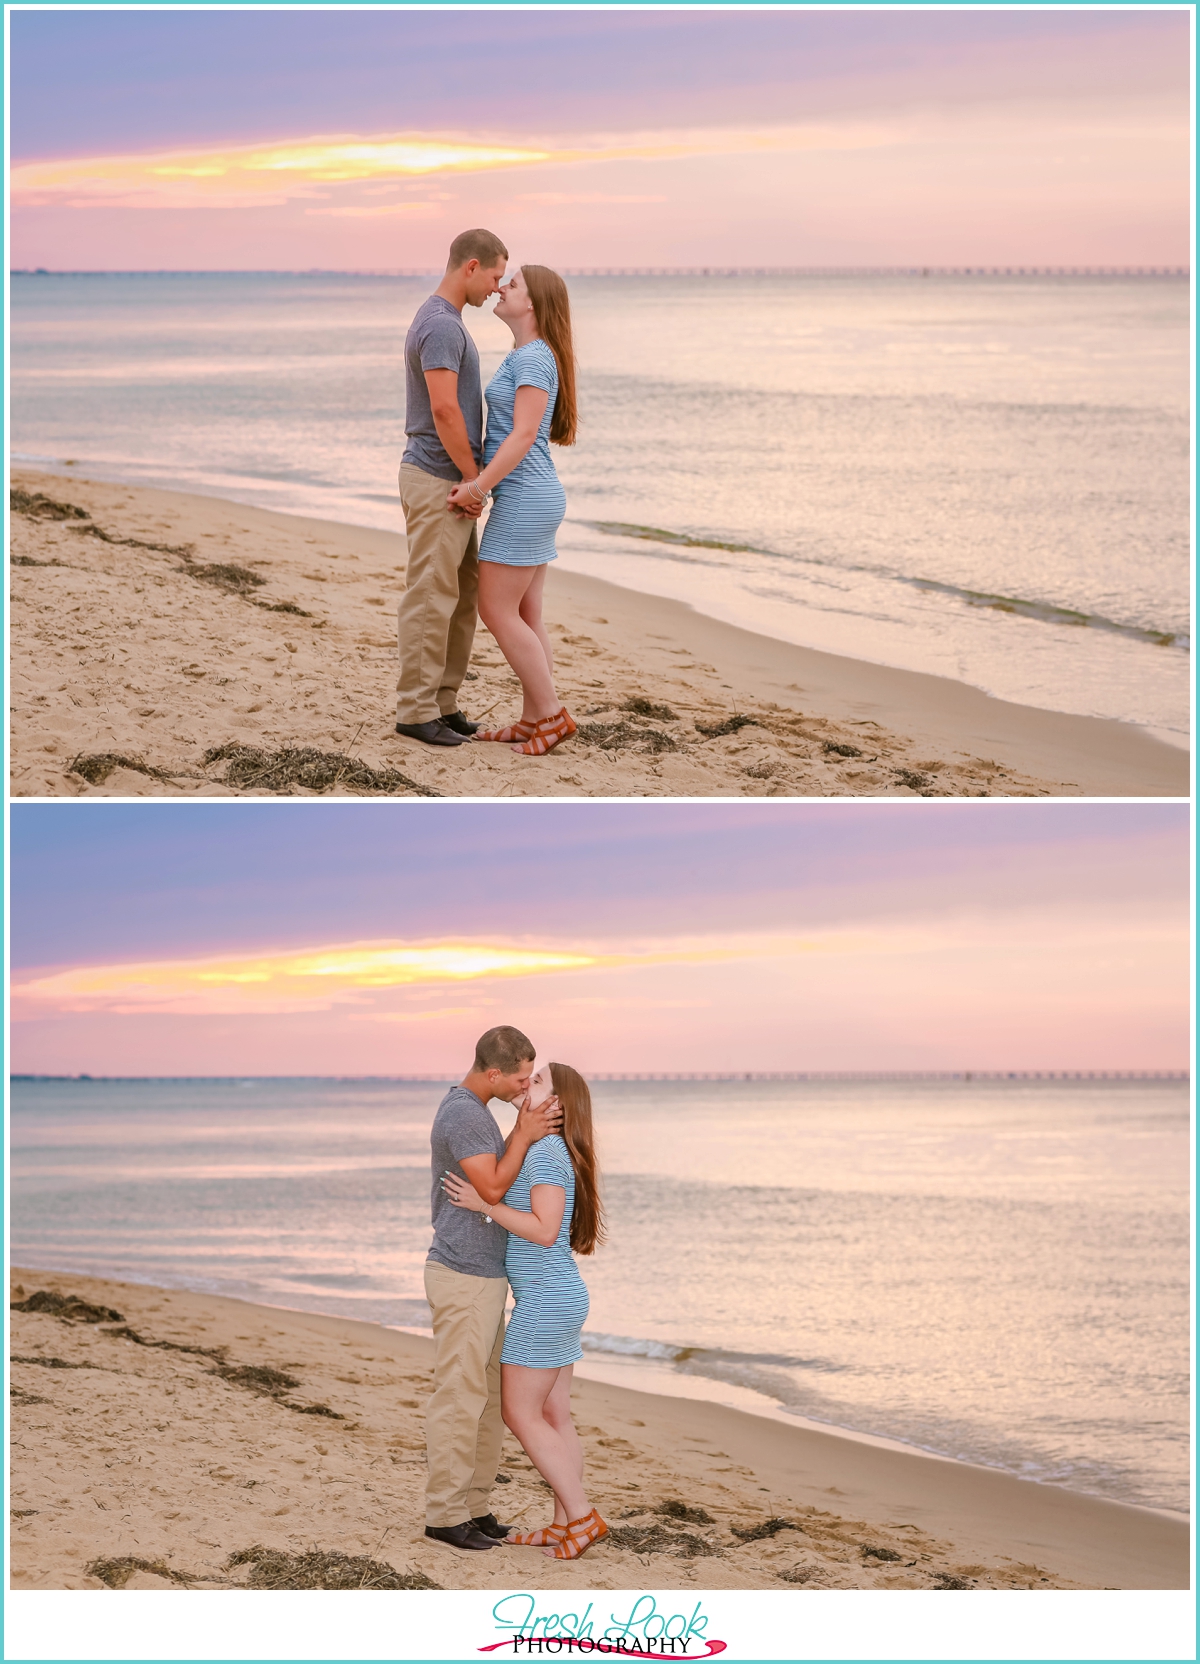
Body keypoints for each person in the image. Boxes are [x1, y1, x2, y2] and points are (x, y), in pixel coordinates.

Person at [443, 1060, 608, 1561]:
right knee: (556, 1415)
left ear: (556, 1105)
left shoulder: (544, 1156)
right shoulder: (547, 1149)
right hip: (559, 1297)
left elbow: (544, 1230)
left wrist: (483, 1204)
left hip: (544, 1303)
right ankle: (563, 1525)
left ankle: (581, 1517)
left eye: (537, 1081)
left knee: (519, 1412)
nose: (525, 1083)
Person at [423, 1025, 562, 1552]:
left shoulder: (475, 1115)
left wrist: (518, 1134)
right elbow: (494, 1187)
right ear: (494, 1071)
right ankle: (444, 1514)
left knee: (484, 1400)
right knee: (459, 1398)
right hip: (462, 1275)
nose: (526, 1089)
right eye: (521, 1079)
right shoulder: (463, 1114)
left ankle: (474, 1507)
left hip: (481, 1277)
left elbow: (492, 1174)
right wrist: (525, 1133)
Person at [447, 265, 578, 758]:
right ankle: (532, 719)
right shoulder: (530, 354)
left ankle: (550, 715)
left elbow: (523, 435)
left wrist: (477, 489)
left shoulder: (535, 358)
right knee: (527, 613)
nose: (502, 287)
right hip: (534, 497)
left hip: (525, 500)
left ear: (534, 305)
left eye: (514, 283)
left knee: (495, 608)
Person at [396, 228, 509, 749]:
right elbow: (443, 409)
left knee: (462, 597)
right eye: (494, 276)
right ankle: (416, 710)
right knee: (431, 596)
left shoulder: (447, 323)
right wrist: (472, 479)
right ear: (470, 266)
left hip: (450, 480)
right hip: (439, 479)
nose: (496, 289)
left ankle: (442, 702)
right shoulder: (441, 326)